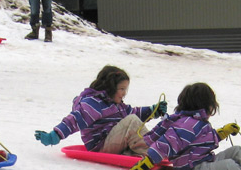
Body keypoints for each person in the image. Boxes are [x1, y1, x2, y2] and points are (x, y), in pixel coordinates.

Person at [128, 82, 241, 170]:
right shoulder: (187, 124)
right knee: (230, 166)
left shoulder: (197, 121)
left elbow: (203, 140)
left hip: (203, 161)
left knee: (236, 151)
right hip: (191, 169)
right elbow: (168, 143)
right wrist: (149, 161)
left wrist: (223, 132)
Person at [34, 65, 167, 155]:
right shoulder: (93, 103)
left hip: (112, 142)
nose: (124, 93)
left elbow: (133, 112)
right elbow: (75, 120)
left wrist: (153, 110)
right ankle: (153, 152)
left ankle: (143, 152)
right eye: (122, 89)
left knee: (131, 120)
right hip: (100, 145)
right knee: (131, 121)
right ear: (110, 88)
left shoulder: (116, 104)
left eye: (126, 89)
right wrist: (55, 135)